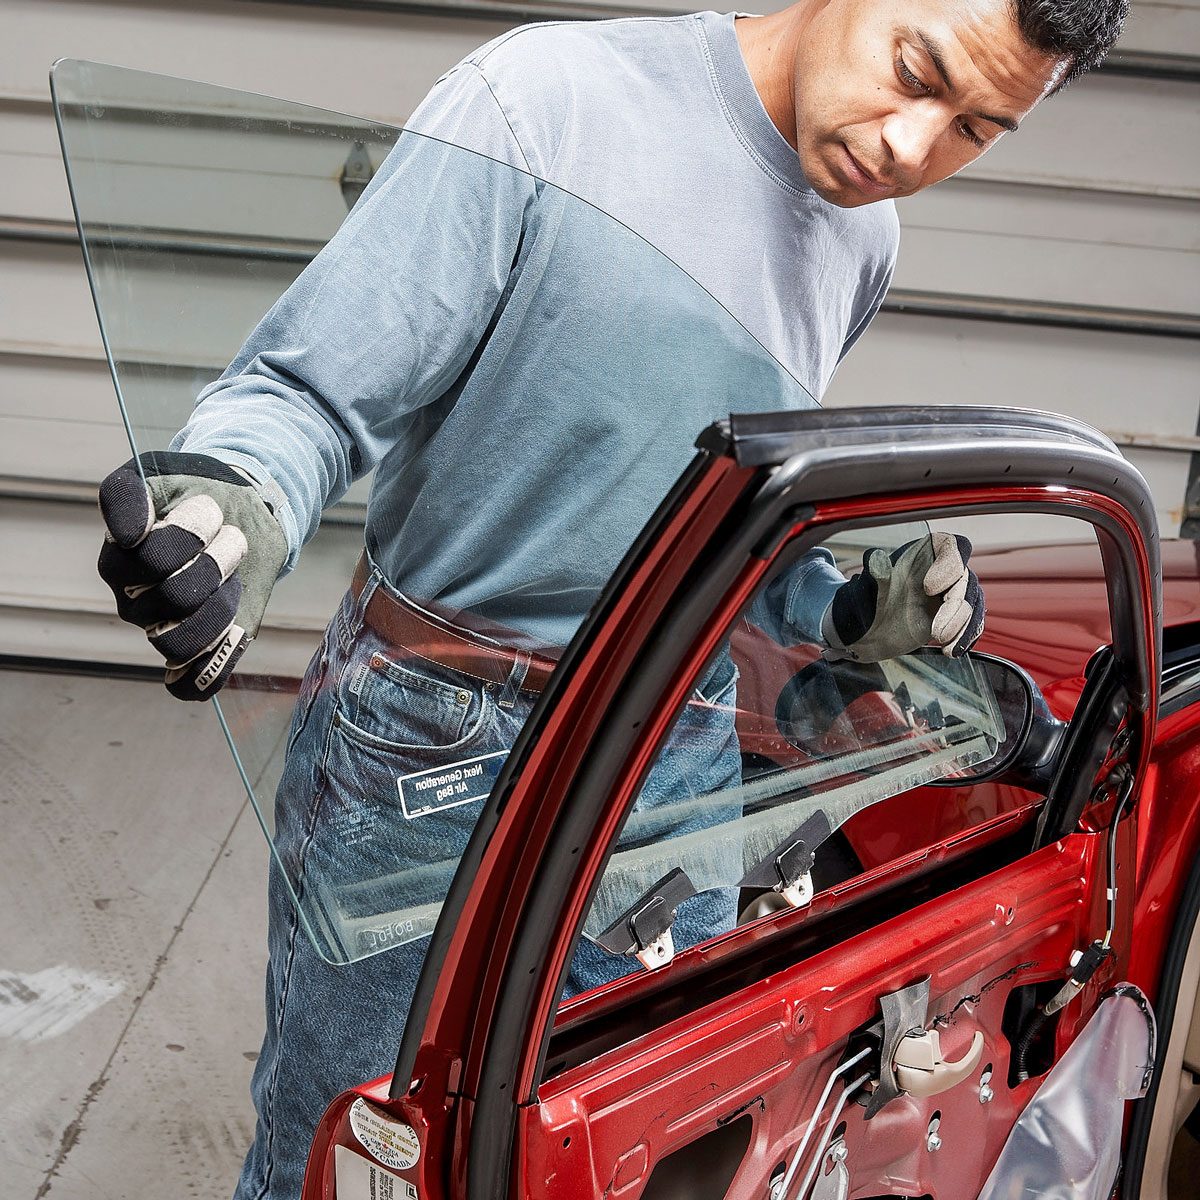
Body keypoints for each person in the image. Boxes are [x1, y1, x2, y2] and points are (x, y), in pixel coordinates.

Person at [93, 1, 1128, 1195]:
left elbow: (714, 524)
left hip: (674, 765)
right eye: (915, 70)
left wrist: (844, 615)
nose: (910, 144)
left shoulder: (863, 241)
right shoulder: (547, 105)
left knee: (615, 1155)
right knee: (364, 1161)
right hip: (437, 740)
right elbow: (303, 390)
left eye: (976, 129)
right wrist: (242, 501)